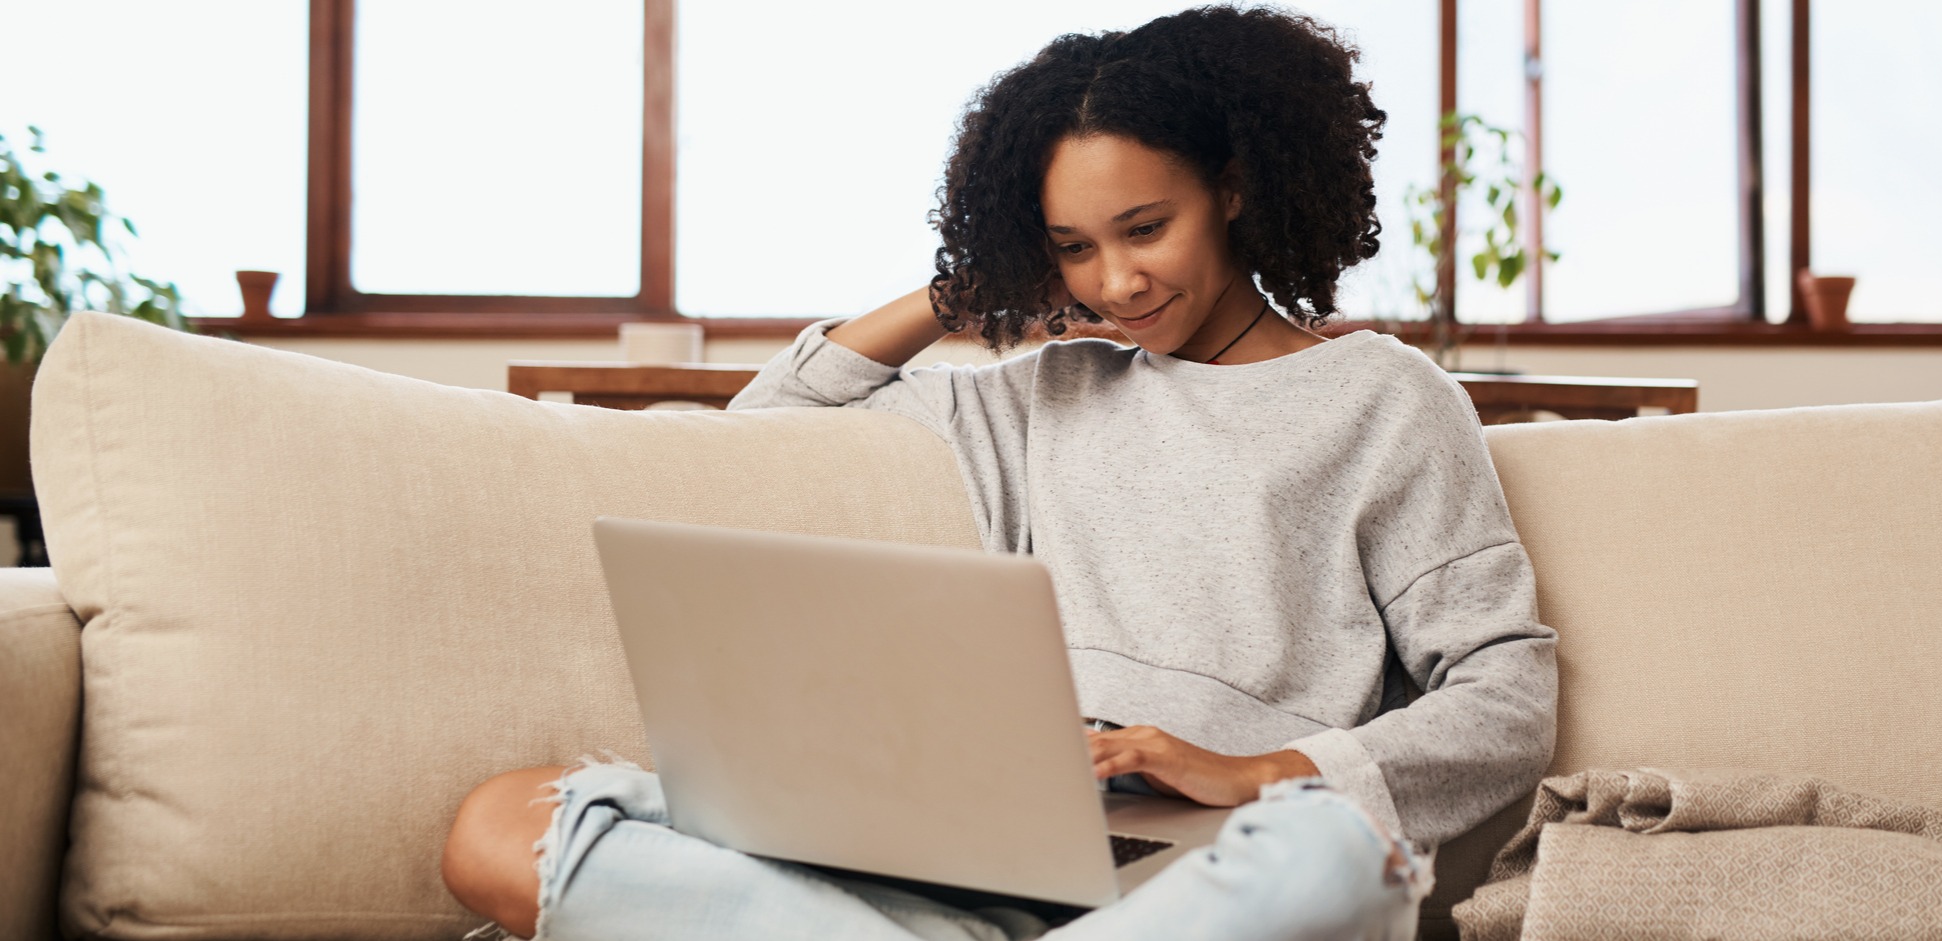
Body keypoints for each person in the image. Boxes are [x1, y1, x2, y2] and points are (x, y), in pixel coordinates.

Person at [441, 6, 1557, 940]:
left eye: (1143, 227)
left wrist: (1254, 767)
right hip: (981, 839)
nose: (1115, 281)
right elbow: (769, 419)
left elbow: (1506, 698)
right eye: (1071, 246)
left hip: (1215, 860)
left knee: (1342, 856)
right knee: (504, 820)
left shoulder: (1386, 398)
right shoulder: (1045, 391)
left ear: (1232, 186)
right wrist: (958, 288)